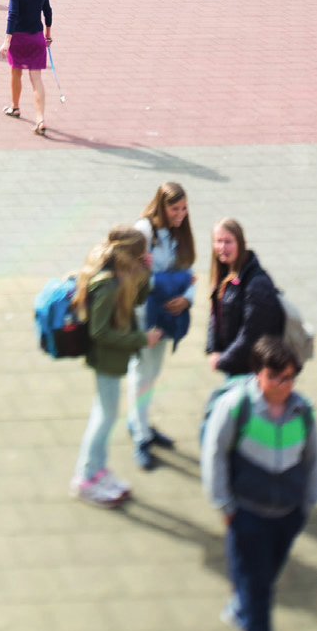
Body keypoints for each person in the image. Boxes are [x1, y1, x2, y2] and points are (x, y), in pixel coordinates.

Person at [202, 335, 316, 631]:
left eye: (290, 377)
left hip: (289, 512)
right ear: (258, 374)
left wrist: (307, 503)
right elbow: (215, 454)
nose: (283, 385)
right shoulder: (236, 407)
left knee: (267, 571)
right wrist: (224, 505)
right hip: (248, 512)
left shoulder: (302, 410)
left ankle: (240, 609)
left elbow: (313, 458)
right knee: (259, 583)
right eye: (275, 377)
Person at [69, 226, 161, 507]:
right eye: (142, 252)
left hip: (113, 360)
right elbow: (99, 332)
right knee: (104, 418)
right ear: (129, 256)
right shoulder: (107, 284)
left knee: (105, 415)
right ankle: (86, 478)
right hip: (106, 361)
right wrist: (141, 339)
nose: (146, 255)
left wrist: (145, 273)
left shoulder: (122, 275)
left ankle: (98, 470)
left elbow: (138, 298)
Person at [127, 182, 197, 468]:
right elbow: (136, 279)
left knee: (151, 374)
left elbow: (188, 274)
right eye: (174, 208)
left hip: (165, 315)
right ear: (161, 205)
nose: (180, 214)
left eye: (183, 208)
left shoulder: (178, 232)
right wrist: (173, 284)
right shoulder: (144, 232)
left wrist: (187, 299)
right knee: (142, 374)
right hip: (146, 318)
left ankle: (139, 423)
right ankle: (141, 435)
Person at [207, 219, 285, 378]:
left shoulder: (256, 283)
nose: (222, 247)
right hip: (233, 364)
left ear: (241, 243)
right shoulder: (224, 273)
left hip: (252, 371)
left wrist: (223, 360)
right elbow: (215, 314)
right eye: (218, 241)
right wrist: (213, 349)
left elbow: (253, 333)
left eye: (228, 242)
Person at [0, 0, 52, 131]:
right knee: (36, 79)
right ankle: (40, 118)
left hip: (19, 38)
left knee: (16, 73)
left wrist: (6, 41)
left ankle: (15, 107)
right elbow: (48, 12)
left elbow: (12, 15)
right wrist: (48, 35)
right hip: (37, 37)